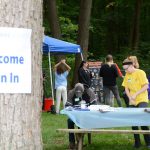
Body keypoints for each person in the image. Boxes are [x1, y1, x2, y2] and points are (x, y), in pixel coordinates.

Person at [122, 58, 150, 149]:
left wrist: (136, 94)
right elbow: (126, 88)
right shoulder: (127, 74)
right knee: (133, 121)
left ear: (131, 66)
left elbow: (146, 86)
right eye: (124, 69)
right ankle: (137, 143)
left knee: (142, 120)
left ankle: (148, 142)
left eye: (126, 69)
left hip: (142, 98)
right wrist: (130, 97)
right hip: (132, 100)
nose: (125, 71)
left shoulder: (140, 72)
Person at [65, 83, 97, 149]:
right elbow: (67, 105)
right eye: (77, 93)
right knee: (69, 121)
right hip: (75, 115)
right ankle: (72, 142)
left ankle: (80, 142)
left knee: (81, 121)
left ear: (83, 91)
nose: (78, 95)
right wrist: (70, 108)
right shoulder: (71, 93)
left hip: (87, 115)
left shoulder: (89, 92)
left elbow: (95, 105)